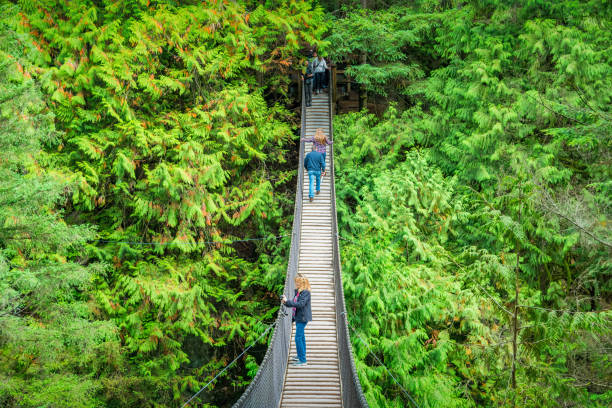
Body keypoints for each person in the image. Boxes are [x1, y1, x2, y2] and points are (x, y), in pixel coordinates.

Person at [282, 274, 312, 367]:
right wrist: (285, 302)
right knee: (301, 337)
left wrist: (288, 302)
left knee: (298, 338)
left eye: (298, 282)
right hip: (299, 317)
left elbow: (300, 304)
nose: (296, 284)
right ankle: (301, 356)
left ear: (303, 283)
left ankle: (303, 360)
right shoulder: (298, 292)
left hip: (302, 318)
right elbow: (294, 303)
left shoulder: (305, 292)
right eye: (296, 282)